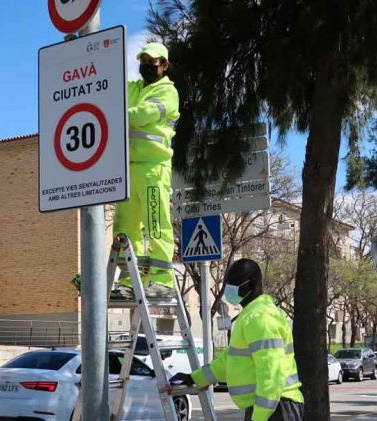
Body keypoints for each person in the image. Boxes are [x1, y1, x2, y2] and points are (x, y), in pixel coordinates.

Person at [170, 259, 304, 421]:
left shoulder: (261, 318)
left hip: (277, 408)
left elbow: (271, 373)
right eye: (228, 282)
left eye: (234, 282)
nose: (228, 288)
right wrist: (195, 378)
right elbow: (229, 361)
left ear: (252, 284)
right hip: (271, 407)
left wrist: (259, 418)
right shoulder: (251, 315)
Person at [111, 42, 180, 299]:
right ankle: (131, 280)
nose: (146, 67)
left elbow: (141, 115)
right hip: (128, 168)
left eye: (152, 62)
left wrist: (115, 113)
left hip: (153, 167)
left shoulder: (167, 92)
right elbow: (109, 88)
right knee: (124, 225)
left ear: (164, 66)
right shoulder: (134, 88)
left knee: (155, 222)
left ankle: (163, 281)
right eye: (143, 62)